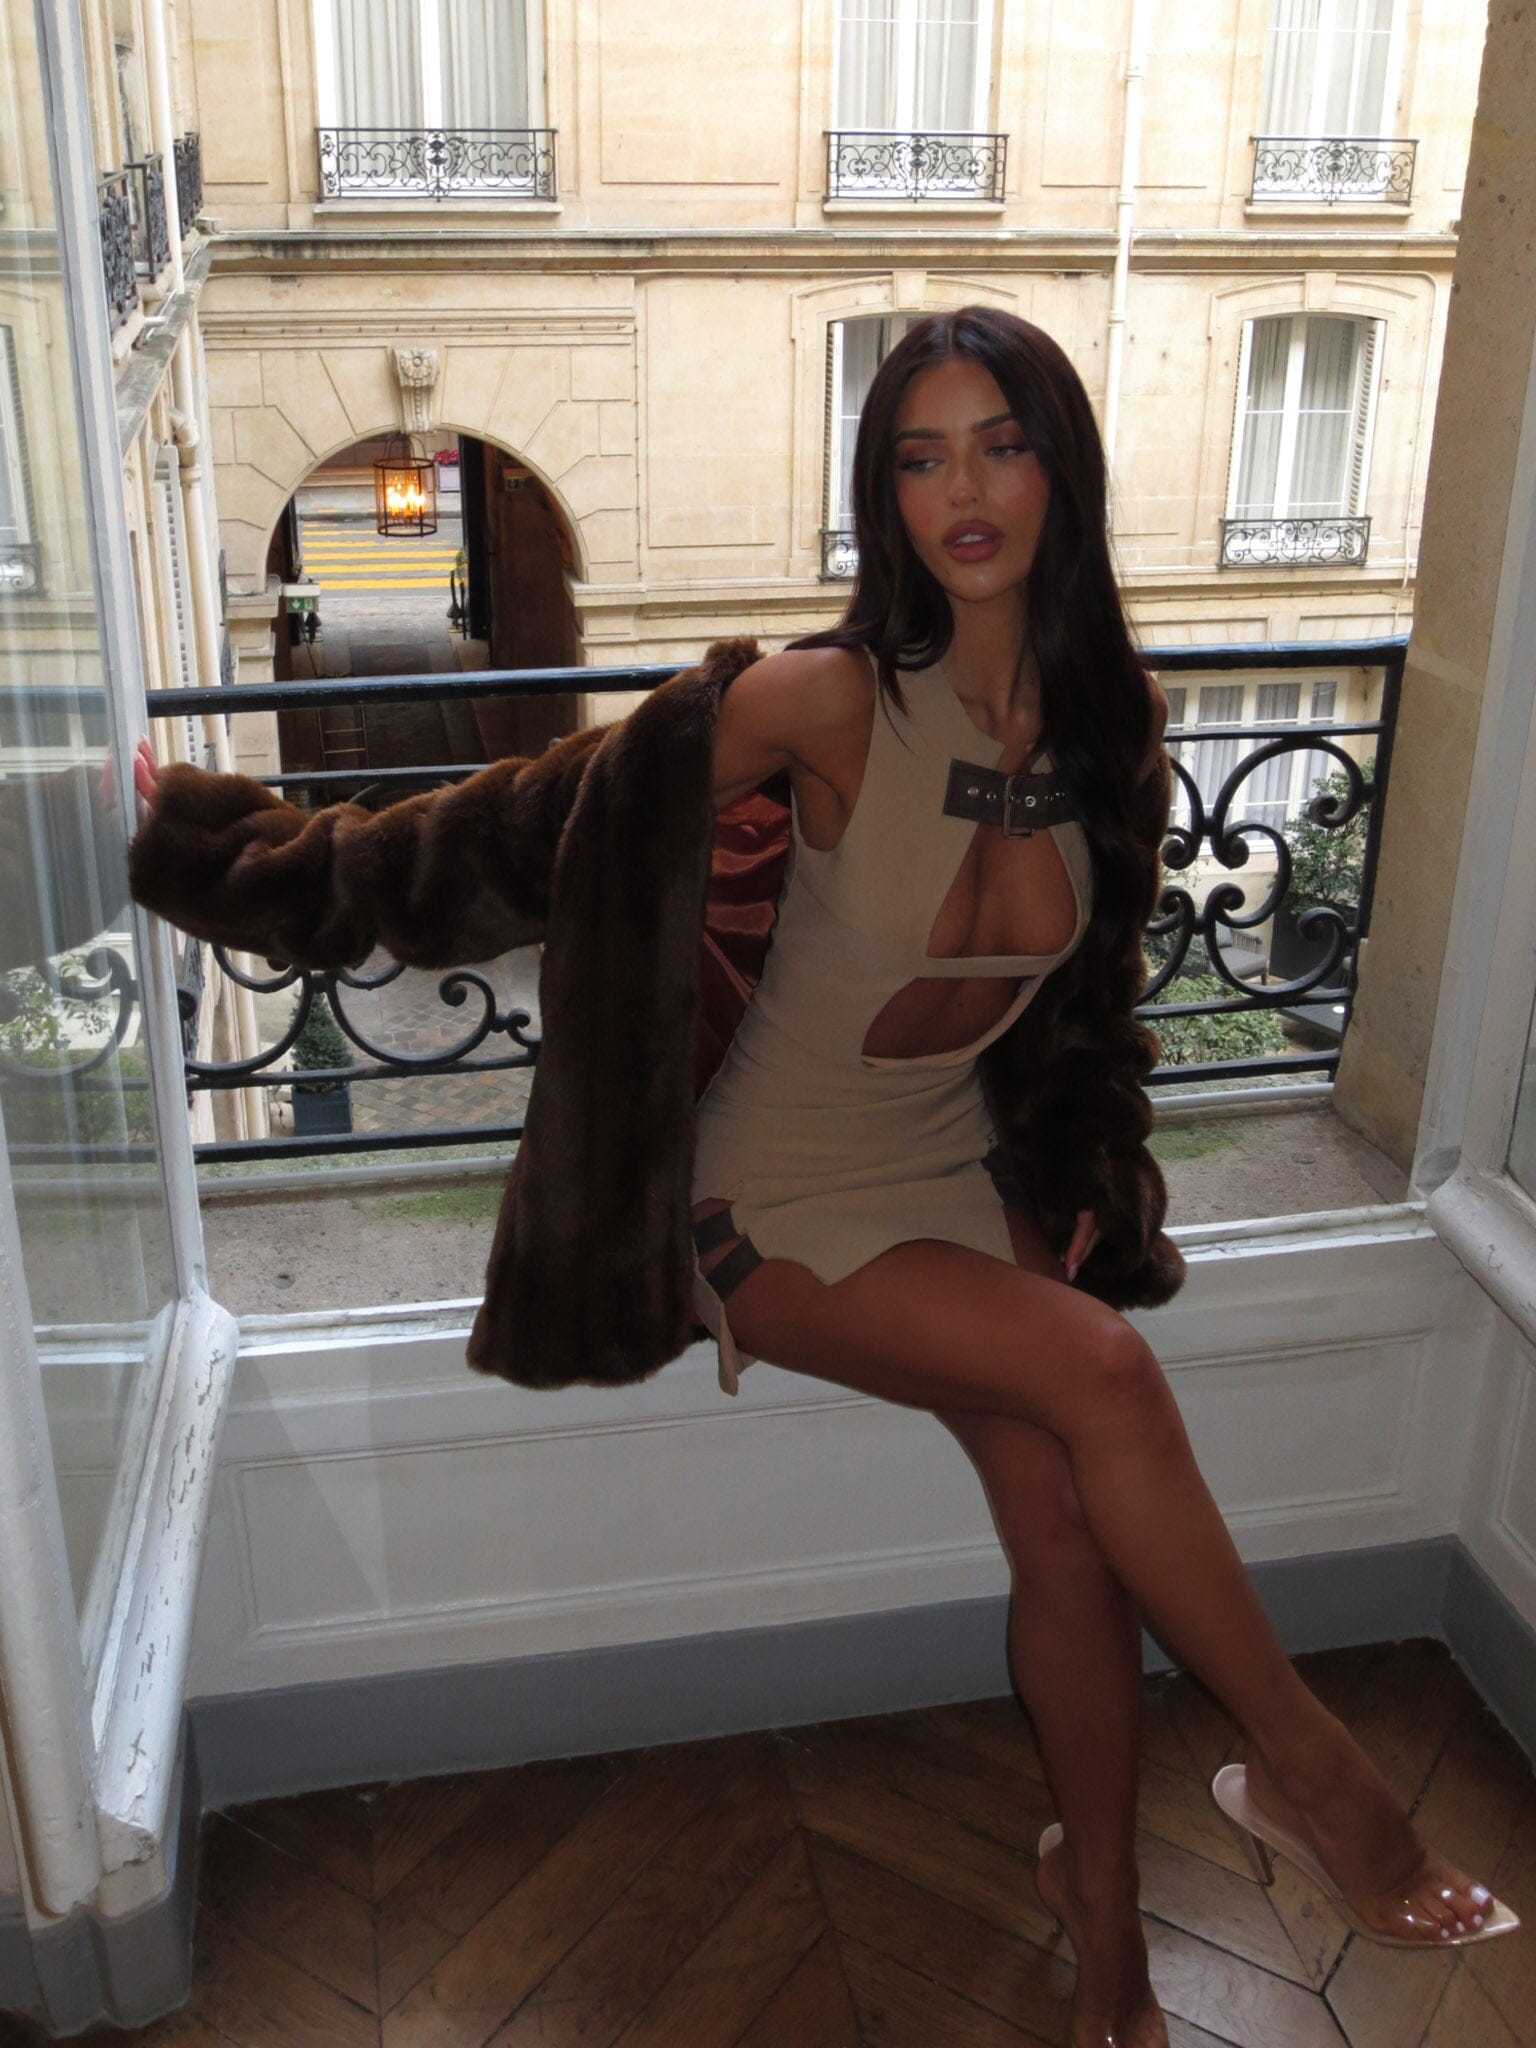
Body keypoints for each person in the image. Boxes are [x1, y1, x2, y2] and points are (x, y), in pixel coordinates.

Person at [133, 308, 1517, 2047]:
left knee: (1066, 1523)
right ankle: (1318, 1775)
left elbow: (1087, 1006)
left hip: (953, 1169)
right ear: (884, 494)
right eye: (920, 456)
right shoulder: (826, 701)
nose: (965, 491)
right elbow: (523, 831)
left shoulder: (1113, 727)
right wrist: (231, 853)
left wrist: (1086, 1158)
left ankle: (1105, 1934)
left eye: (1001, 444)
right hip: (766, 1198)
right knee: (1103, 1372)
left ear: (1060, 469)